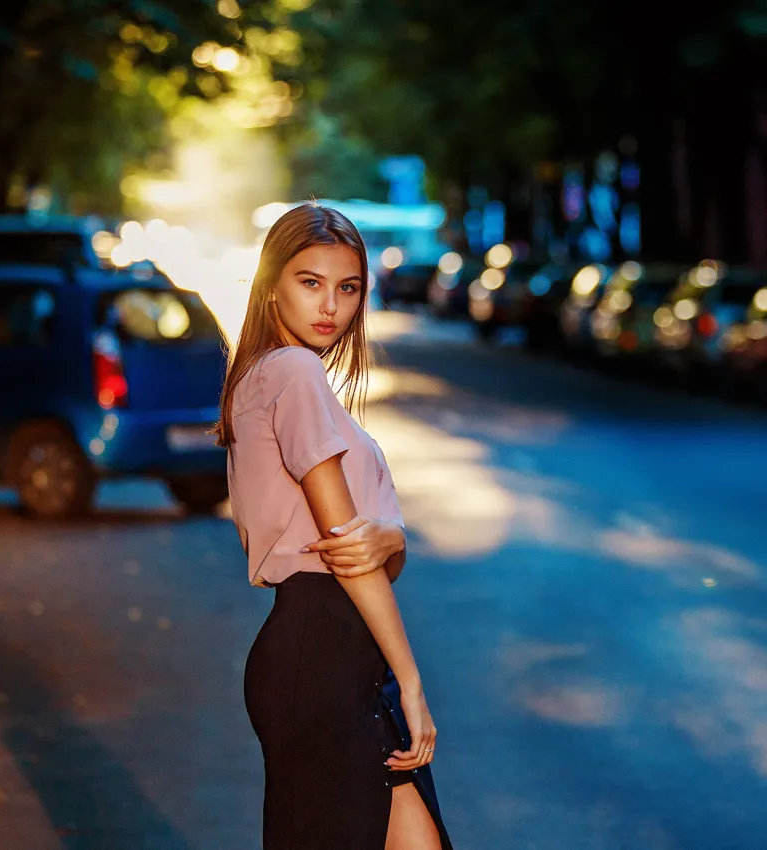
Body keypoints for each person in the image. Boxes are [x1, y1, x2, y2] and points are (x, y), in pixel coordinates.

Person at [214, 201, 454, 850]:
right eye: (309, 282)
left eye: (347, 288)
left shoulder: (267, 377)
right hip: (320, 661)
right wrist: (410, 680)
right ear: (271, 285)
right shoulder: (292, 374)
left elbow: (368, 547)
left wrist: (393, 537)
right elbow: (349, 552)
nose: (331, 306)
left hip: (329, 660)